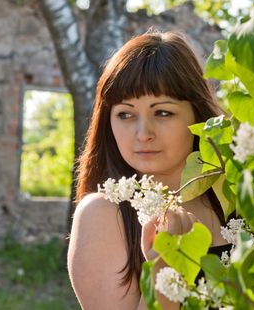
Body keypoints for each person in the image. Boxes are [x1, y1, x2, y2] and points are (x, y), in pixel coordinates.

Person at [68, 31, 232, 309]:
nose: (143, 133)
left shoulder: (237, 195)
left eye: (163, 112)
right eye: (126, 114)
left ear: (197, 114)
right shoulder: (104, 214)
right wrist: (165, 266)